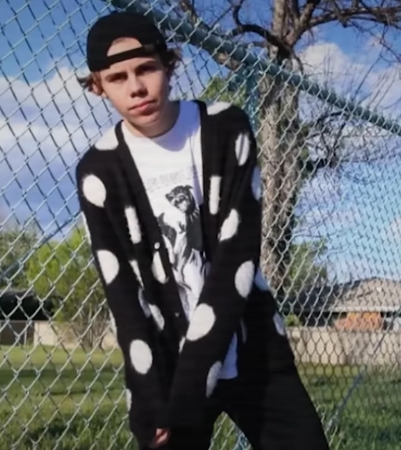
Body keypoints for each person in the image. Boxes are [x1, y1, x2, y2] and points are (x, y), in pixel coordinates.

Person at [74, 11, 331, 450]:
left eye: (146, 68)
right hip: (168, 366)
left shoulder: (225, 128)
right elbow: (123, 295)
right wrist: (150, 394)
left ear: (169, 65)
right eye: (117, 77)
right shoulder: (98, 172)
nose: (136, 87)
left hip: (251, 350)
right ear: (97, 86)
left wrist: (193, 382)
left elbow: (237, 257)